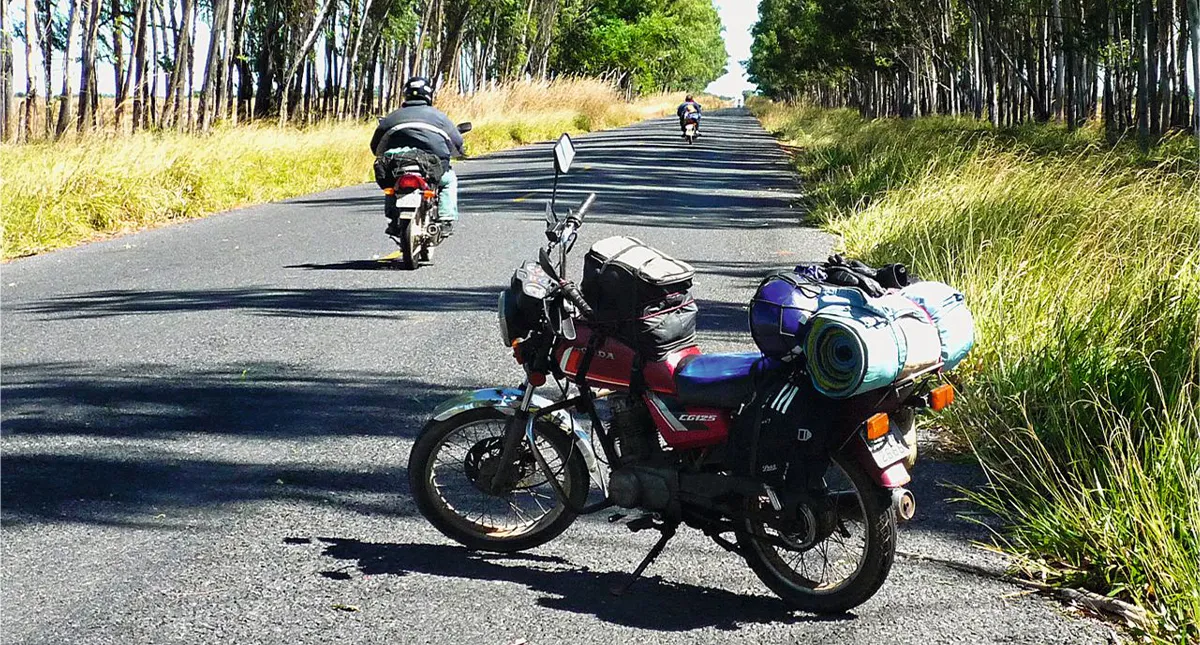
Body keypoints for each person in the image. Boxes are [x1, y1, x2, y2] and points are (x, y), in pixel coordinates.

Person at [370, 77, 465, 236]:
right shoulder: (439, 117)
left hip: (398, 166)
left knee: (392, 186)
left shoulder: (392, 117)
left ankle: (394, 220)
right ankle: (446, 219)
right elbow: (457, 142)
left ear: (406, 95)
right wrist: (458, 153)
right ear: (428, 95)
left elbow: (376, 146)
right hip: (431, 166)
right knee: (448, 180)